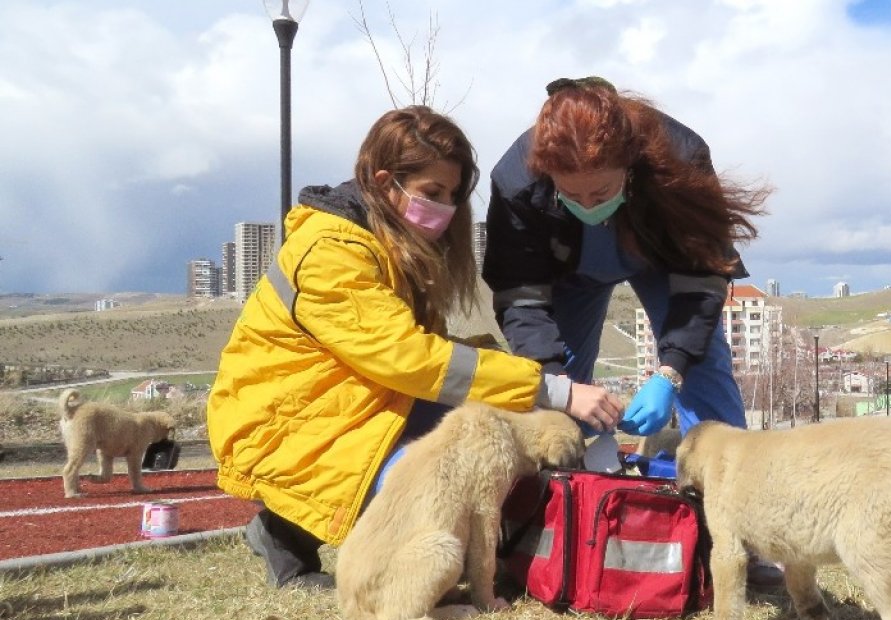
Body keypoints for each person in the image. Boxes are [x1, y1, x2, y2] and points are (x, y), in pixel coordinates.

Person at [207, 105, 623, 590]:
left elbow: (425, 356)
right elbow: (406, 358)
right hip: (286, 423)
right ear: (385, 182)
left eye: (452, 194)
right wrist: (552, 390)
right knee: (440, 480)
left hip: (341, 407)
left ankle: (286, 531)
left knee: (486, 426)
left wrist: (509, 376)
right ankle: (294, 536)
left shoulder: (388, 247)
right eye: (432, 193)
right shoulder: (330, 252)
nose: (445, 208)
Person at [483, 77, 782, 586]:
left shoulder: (679, 158)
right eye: (570, 193)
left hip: (660, 259)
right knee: (558, 394)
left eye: (601, 189)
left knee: (704, 362)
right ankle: (558, 521)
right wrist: (561, 384)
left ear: (631, 165)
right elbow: (521, 297)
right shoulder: (516, 181)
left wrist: (672, 370)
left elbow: (701, 279)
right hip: (568, 270)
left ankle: (739, 533)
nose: (587, 201)